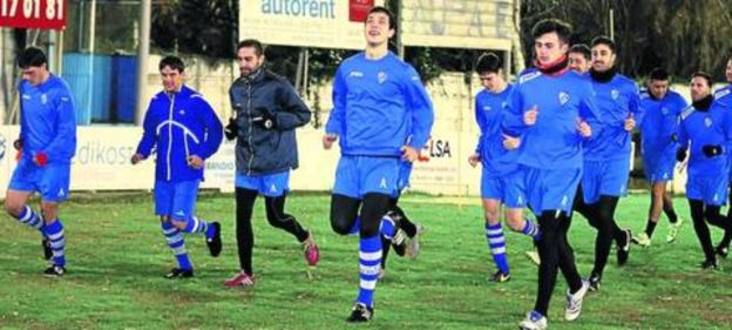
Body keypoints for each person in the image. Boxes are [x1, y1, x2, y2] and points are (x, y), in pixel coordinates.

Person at [323, 6, 434, 322]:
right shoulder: (348, 68)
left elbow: (423, 111)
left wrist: (415, 144)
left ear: (391, 33)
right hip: (351, 161)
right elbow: (340, 104)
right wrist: (332, 129)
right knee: (341, 224)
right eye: (370, 21)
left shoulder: (401, 71)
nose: (374, 25)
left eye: (381, 22)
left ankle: (364, 303)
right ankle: (393, 225)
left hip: (386, 160)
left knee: (368, 225)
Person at [504, 19, 597, 330]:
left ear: (564, 48)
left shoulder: (581, 84)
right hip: (530, 168)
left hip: (564, 170)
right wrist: (521, 119)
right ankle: (575, 284)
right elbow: (507, 121)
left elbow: (595, 124)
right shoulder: (526, 80)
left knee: (550, 234)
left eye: (548, 46)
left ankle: (539, 314)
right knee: (550, 237)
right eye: (539, 46)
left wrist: (587, 130)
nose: (542, 51)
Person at [222, 39, 320, 288]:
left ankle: (304, 236)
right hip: (247, 162)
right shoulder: (235, 88)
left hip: (275, 160)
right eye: (240, 59)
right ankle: (246, 272)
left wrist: (273, 120)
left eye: (248, 59)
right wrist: (234, 129)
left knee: (274, 217)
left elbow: (303, 115)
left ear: (260, 59)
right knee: (242, 218)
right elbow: (240, 118)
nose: (243, 64)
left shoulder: (278, 85)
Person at [131, 55, 224, 279]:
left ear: (182, 75)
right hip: (163, 173)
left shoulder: (196, 102)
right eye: (164, 75)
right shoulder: (156, 103)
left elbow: (216, 131)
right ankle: (185, 266)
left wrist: (201, 155)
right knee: (166, 221)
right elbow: (150, 134)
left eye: (173, 75)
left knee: (179, 221)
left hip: (187, 172)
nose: (168, 79)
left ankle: (210, 229)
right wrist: (141, 152)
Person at [573, 36, 641, 291]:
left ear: (613, 58)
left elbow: (639, 110)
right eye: (595, 53)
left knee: (603, 213)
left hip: (615, 158)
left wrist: (634, 123)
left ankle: (596, 274)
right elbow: (568, 111)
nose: (598, 57)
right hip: (586, 157)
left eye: (603, 53)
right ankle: (621, 235)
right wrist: (578, 125)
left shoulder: (627, 86)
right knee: (579, 204)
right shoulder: (579, 84)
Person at [467, 52, 541, 283]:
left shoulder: (519, 96)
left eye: (489, 78)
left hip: (515, 170)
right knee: (491, 217)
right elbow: (485, 129)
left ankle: (540, 234)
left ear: (500, 73)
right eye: (482, 79)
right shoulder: (481, 99)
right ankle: (503, 270)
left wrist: (520, 143)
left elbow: (537, 130)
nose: (485, 83)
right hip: (491, 168)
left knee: (515, 222)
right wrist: (479, 152)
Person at [4, 47, 76, 277]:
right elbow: (27, 118)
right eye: (24, 73)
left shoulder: (60, 91)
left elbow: (66, 131)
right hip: (29, 159)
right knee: (13, 206)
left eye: (30, 73)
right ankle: (45, 230)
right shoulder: (25, 86)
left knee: (48, 208)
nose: (26, 78)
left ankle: (59, 263)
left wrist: (47, 153)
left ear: (44, 67)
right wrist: (23, 139)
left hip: (54, 161)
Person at [676, 72, 732, 269]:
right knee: (696, 215)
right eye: (692, 84)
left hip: (717, 170)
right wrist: (680, 152)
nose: (694, 88)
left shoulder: (723, 110)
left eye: (699, 85)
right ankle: (710, 258)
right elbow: (683, 142)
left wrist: (719, 149)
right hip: (696, 171)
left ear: (709, 88)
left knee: (712, 215)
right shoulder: (685, 115)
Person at [634, 68, 687, 246]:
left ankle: (647, 234)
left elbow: (690, 121)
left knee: (657, 191)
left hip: (668, 151)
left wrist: (681, 141)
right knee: (660, 191)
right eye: (657, 87)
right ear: (649, 83)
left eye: (664, 86)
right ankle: (674, 219)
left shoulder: (676, 100)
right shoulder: (640, 98)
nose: (661, 90)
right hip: (649, 151)